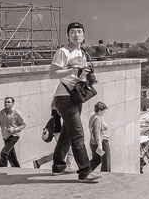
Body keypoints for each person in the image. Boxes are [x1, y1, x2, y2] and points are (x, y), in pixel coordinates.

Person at [48, 22, 100, 182]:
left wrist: (86, 74)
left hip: (76, 96)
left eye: (79, 31)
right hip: (64, 97)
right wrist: (73, 70)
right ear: (67, 35)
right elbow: (52, 74)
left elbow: (79, 75)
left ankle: (58, 166)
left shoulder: (82, 53)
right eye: (72, 32)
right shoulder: (63, 52)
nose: (76, 34)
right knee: (78, 134)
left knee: (67, 133)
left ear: (83, 35)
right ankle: (84, 171)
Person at [0, 96, 26, 167]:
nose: (6, 104)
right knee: (11, 156)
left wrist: (15, 129)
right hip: (5, 136)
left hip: (14, 135)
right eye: (5, 102)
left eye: (9, 102)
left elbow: (24, 124)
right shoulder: (0, 113)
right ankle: (18, 169)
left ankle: (2, 170)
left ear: (13, 104)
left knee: (4, 152)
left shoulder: (17, 113)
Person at [89, 102, 110, 172]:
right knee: (106, 161)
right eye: (104, 110)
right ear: (100, 110)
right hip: (102, 143)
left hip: (93, 143)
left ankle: (86, 171)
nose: (104, 112)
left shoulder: (92, 117)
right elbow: (97, 132)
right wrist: (100, 145)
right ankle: (106, 176)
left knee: (96, 159)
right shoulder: (97, 119)